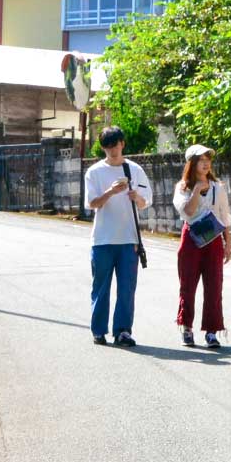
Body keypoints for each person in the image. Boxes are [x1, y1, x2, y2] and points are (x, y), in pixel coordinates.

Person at [85, 126, 151, 347]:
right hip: (102, 239)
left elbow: (146, 202)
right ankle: (98, 330)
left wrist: (137, 198)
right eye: (108, 146)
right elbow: (92, 204)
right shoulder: (94, 172)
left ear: (123, 143)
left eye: (116, 145)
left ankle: (123, 331)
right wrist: (111, 192)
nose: (113, 150)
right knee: (100, 287)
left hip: (129, 239)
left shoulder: (134, 169)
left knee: (126, 288)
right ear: (103, 147)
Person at [174, 143, 230, 349]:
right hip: (191, 239)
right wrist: (197, 189)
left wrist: (228, 242)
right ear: (192, 163)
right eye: (201, 160)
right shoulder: (182, 188)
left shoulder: (218, 187)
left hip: (214, 240)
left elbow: (224, 215)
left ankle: (212, 332)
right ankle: (187, 328)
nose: (206, 164)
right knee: (187, 285)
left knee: (214, 286)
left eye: (208, 160)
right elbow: (187, 211)